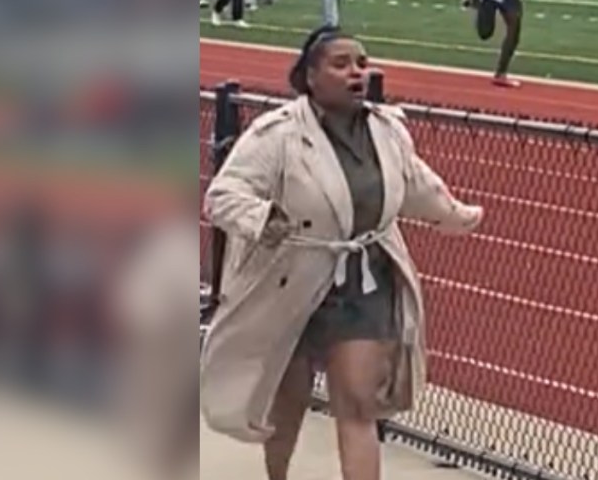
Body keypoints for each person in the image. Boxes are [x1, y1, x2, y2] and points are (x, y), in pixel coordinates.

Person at [200, 27, 484, 480]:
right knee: (288, 400)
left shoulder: (387, 131)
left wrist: (456, 215)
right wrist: (263, 219)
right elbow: (223, 196)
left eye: (361, 62)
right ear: (310, 76)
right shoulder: (278, 134)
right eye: (341, 64)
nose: (356, 72)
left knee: (357, 404)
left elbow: (414, 183)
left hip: (363, 284)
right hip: (290, 281)